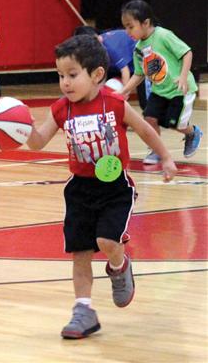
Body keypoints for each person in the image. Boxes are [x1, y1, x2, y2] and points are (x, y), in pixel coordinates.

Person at [26, 35, 177, 339]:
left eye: (72, 75)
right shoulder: (60, 109)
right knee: (80, 251)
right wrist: (20, 127)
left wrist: (166, 158)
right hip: (79, 189)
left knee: (108, 242)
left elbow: (145, 130)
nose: (65, 83)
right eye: (60, 76)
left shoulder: (114, 103)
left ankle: (119, 266)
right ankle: (83, 310)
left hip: (114, 188)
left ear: (96, 75)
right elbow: (38, 141)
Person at [119, 0, 203, 165]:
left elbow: (187, 53)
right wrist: (123, 91)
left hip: (179, 90)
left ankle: (192, 132)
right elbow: (139, 74)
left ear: (146, 23)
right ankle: (156, 150)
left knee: (174, 123)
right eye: (125, 27)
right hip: (159, 91)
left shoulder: (163, 35)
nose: (127, 31)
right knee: (149, 119)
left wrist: (183, 76)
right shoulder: (138, 48)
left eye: (130, 26)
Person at [74, 25, 150, 110]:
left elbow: (125, 71)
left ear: (97, 38)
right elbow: (100, 73)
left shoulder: (110, 47)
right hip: (120, 64)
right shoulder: (92, 49)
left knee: (144, 102)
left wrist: (125, 93)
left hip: (140, 62)